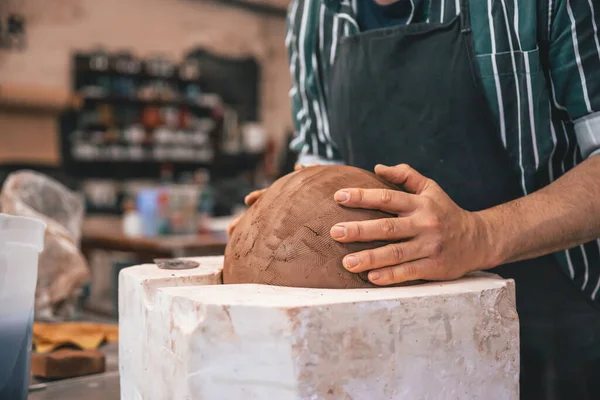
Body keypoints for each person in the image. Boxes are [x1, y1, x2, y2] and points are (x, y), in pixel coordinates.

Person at [229, 0, 600, 397]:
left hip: (556, 325)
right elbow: (320, 161)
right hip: (377, 345)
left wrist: (482, 235)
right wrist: (279, 215)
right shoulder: (313, 13)